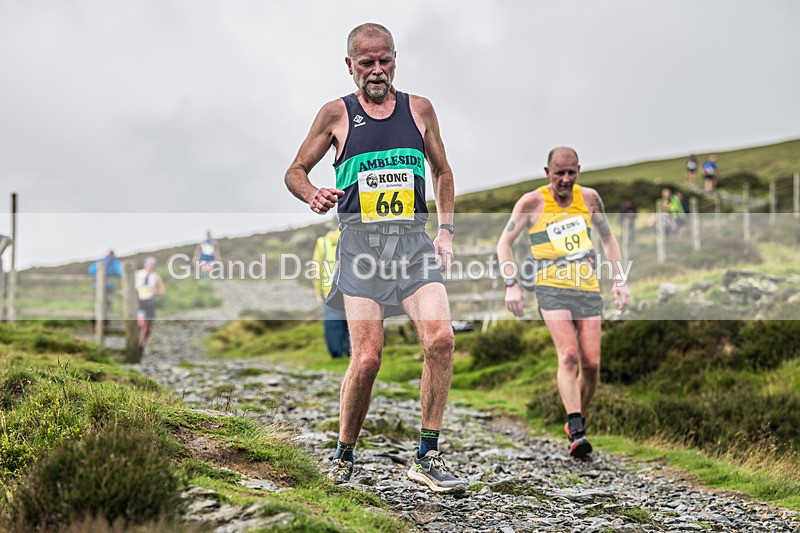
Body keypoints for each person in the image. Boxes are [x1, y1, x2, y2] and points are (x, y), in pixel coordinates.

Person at [284, 23, 466, 492]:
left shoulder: (420, 109)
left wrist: (446, 231)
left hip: (413, 245)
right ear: (350, 66)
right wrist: (312, 193)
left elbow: (443, 171)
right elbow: (295, 170)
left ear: (395, 59)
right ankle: (343, 455)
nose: (377, 70)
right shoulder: (336, 114)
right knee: (366, 359)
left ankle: (427, 456)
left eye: (385, 60)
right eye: (367, 63)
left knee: (442, 339)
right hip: (360, 249)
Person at [496, 147, 631, 462]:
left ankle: (577, 420)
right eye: (560, 173)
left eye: (572, 173)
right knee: (569, 356)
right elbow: (504, 243)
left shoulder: (591, 199)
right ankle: (577, 430)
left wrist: (620, 280)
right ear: (548, 172)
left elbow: (608, 239)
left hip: (587, 287)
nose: (566, 179)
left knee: (592, 364)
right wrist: (512, 284)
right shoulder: (532, 202)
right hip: (551, 288)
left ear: (579, 170)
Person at [312, 221, 351, 359]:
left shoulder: (322, 242)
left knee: (333, 324)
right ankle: (352, 354)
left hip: (328, 290)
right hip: (351, 288)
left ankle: (336, 355)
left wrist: (317, 291)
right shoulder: (351, 237)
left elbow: (316, 268)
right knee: (352, 321)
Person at [135, 256, 165, 356]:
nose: (150, 266)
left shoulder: (156, 276)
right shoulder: (138, 274)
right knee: (141, 323)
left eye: (152, 265)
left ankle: (142, 345)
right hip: (139, 302)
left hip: (150, 302)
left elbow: (162, 291)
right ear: (145, 264)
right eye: (149, 264)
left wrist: (155, 291)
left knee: (148, 327)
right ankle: (137, 342)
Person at [88, 250, 123, 322]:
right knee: (98, 304)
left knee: (107, 304)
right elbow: (91, 271)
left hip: (108, 287)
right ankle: (96, 320)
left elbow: (120, 272)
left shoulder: (115, 262)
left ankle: (105, 321)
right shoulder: (101, 261)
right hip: (99, 287)